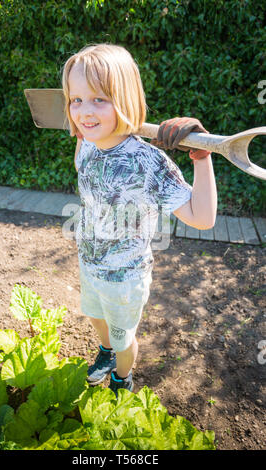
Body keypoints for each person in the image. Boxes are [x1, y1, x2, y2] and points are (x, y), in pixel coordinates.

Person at [62, 43, 217, 396]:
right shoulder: (86, 143)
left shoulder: (150, 163)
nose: (85, 111)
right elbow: (85, 152)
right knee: (96, 319)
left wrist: (201, 154)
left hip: (125, 278)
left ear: (127, 98)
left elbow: (203, 218)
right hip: (89, 262)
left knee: (123, 337)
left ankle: (122, 375)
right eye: (76, 100)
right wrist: (90, 123)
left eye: (99, 99)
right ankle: (106, 353)